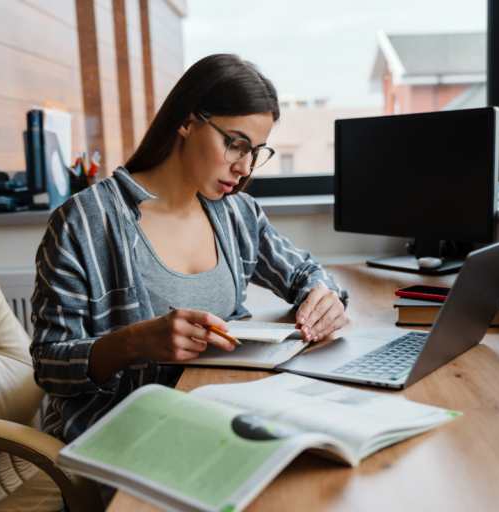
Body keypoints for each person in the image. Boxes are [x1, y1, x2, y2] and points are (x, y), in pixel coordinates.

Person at [29, 54, 349, 448]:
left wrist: (324, 296)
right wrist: (135, 342)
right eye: (236, 145)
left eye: (257, 152)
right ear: (186, 121)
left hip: (220, 416)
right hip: (124, 436)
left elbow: (305, 272)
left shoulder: (238, 214)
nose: (245, 168)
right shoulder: (84, 222)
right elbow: (49, 364)